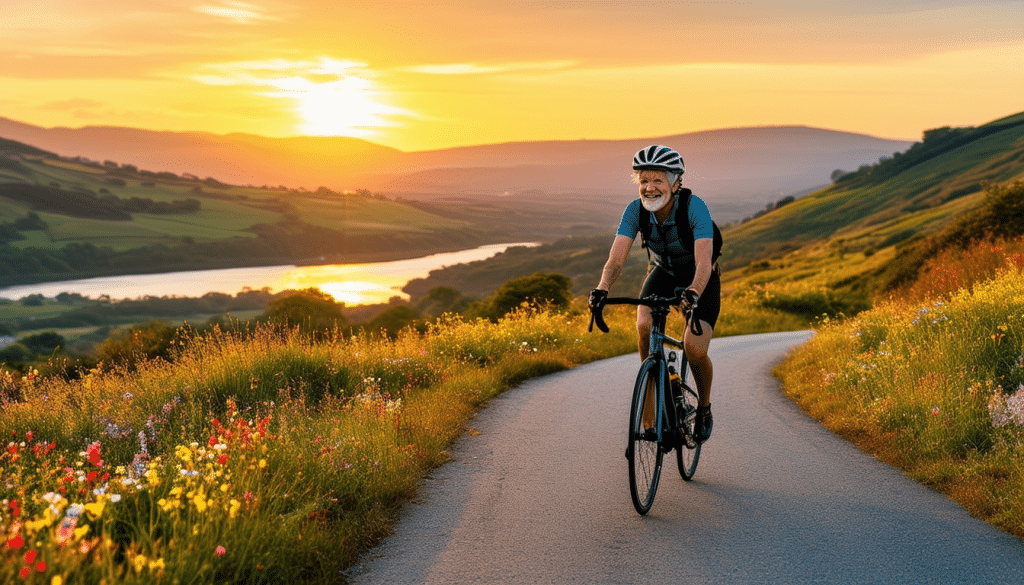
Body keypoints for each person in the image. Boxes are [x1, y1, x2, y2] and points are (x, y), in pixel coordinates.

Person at [589, 145, 720, 443]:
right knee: (644, 327)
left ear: (675, 183)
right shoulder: (635, 210)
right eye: (643, 180)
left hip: (701, 279)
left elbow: (703, 263)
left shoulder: (694, 207)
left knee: (695, 349)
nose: (649, 187)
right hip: (661, 273)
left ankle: (703, 408)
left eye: (658, 180)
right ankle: (649, 417)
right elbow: (616, 258)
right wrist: (601, 289)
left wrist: (694, 292)